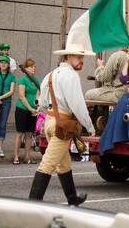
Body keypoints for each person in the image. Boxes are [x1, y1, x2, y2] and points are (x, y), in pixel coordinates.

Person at [29, 43, 96, 206]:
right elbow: (77, 104)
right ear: (69, 57)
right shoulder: (71, 76)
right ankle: (31, 205)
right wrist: (89, 126)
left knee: (63, 162)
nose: (82, 60)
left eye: (82, 57)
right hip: (63, 123)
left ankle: (73, 199)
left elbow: (43, 103)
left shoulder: (51, 74)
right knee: (48, 164)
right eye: (79, 57)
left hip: (50, 121)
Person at [14, 58, 40, 164]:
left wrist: (37, 106)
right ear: (25, 68)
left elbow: (37, 95)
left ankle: (27, 156)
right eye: (31, 66)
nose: (33, 68)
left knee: (29, 134)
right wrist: (30, 108)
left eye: (34, 66)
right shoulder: (23, 79)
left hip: (33, 110)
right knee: (19, 133)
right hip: (23, 109)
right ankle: (16, 156)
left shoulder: (36, 80)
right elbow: (21, 96)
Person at [0, 55, 17, 157]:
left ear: (9, 65)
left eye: (5, 63)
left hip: (6, 101)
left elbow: (11, 91)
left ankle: (0, 147)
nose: (3, 64)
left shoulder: (12, 76)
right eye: (1, 63)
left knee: (2, 124)